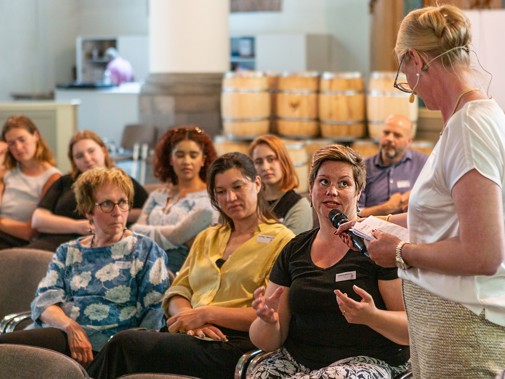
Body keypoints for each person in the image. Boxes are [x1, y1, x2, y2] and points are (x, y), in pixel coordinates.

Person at [338, 5, 505, 378]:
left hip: (463, 330)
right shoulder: (475, 118)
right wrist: (374, 221)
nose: (408, 84)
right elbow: (451, 216)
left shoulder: (470, 128)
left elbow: (485, 253)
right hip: (452, 324)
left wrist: (398, 252)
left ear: (415, 59)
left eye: (404, 72)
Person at [87, 152, 295, 379]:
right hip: (189, 332)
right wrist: (188, 317)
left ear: (256, 184)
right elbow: (179, 289)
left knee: (124, 344)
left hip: (234, 342)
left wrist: (206, 314)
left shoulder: (282, 240)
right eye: (221, 192)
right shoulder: (208, 237)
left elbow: (270, 314)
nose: (230, 198)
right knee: (125, 345)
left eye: (238, 187)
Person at [249, 144, 410, 379]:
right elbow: (268, 341)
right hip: (298, 361)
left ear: (358, 192)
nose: (331, 191)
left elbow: (410, 330)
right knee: (258, 373)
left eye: (343, 183)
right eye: (323, 182)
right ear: (311, 190)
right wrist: (268, 322)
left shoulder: (376, 245)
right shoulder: (294, 249)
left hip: (367, 362)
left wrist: (372, 317)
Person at [0, 167, 170, 367]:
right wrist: (71, 327)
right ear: (88, 210)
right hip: (61, 334)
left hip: (108, 347)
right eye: (107, 204)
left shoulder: (146, 250)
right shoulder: (68, 251)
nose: (117, 212)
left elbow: (154, 313)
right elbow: (44, 302)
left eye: (122, 202)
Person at [29, 130, 148, 251]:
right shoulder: (65, 182)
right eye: (79, 156)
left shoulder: (123, 181)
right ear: (74, 161)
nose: (87, 158)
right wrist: (77, 226)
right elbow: (38, 220)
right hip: (48, 241)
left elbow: (149, 212)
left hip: (91, 247)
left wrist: (109, 214)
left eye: (91, 151)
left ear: (104, 151)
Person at [130, 126, 219, 274]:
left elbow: (197, 246)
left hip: (182, 271)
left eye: (193, 155)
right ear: (171, 159)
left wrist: (151, 234)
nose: (186, 161)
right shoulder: (158, 195)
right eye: (180, 155)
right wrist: (177, 236)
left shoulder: (210, 198)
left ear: (203, 160)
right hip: (141, 261)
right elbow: (135, 232)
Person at [0, 115, 61, 248]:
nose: (18, 147)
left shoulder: (52, 177)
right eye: (11, 143)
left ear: (35, 136)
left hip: (21, 242)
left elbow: (30, 232)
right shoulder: (7, 172)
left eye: (22, 139)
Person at [358, 114, 427, 217]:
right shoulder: (362, 168)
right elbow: (356, 213)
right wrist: (387, 208)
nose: (389, 138)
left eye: (397, 135)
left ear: (409, 141)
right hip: (370, 230)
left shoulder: (424, 163)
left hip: (409, 230)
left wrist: (417, 195)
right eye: (386, 133)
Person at [249, 134, 313, 235]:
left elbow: (291, 248)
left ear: (283, 161)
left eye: (271, 159)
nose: (265, 167)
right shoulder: (251, 200)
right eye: (258, 162)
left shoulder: (299, 206)